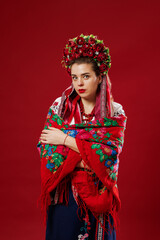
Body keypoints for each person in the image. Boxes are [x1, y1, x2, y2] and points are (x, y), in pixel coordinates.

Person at [37, 34, 127, 240]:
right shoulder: (59, 108)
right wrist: (89, 153)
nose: (79, 83)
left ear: (99, 77)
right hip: (65, 196)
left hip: (99, 192)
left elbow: (109, 158)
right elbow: (46, 151)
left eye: (86, 76)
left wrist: (65, 140)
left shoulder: (114, 113)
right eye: (74, 77)